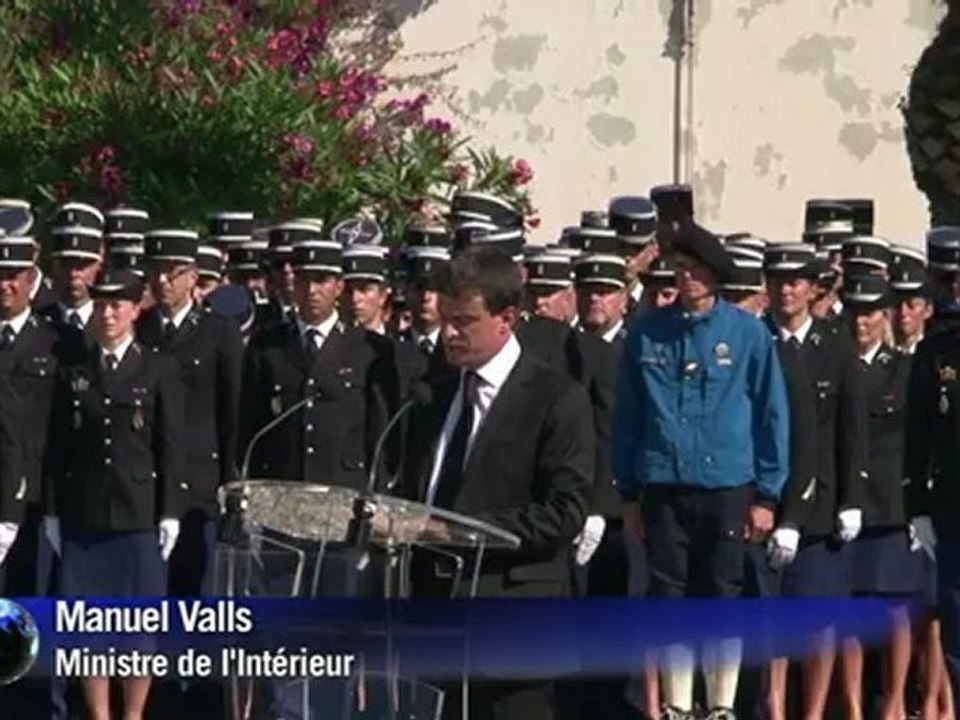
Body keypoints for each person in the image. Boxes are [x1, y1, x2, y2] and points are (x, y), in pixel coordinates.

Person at [400, 245, 594, 720]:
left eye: (463, 321)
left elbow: (563, 513)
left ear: (506, 318)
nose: (448, 333)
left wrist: (454, 531)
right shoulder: (433, 395)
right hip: (438, 626)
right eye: (444, 317)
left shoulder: (555, 399)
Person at [613, 221, 790, 720]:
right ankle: (675, 702)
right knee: (669, 593)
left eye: (696, 271)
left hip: (727, 485)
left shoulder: (748, 334)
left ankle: (720, 704)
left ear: (715, 277)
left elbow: (770, 415)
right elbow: (627, 417)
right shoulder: (648, 332)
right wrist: (628, 493)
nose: (686, 279)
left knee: (722, 590)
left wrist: (768, 495)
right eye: (680, 269)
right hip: (664, 484)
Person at [45, 268, 186, 720]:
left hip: (137, 513)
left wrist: (171, 512)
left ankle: (133, 714)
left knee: (139, 628)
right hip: (85, 515)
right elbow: (57, 447)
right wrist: (51, 510)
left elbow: (171, 446)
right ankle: (99, 715)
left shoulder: (157, 367)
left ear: (135, 309)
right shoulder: (76, 371)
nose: (108, 314)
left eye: (117, 306)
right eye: (102, 305)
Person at [762, 243, 869, 720]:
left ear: (812, 289)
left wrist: (851, 498)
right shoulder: (756, 339)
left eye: (796, 282)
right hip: (766, 495)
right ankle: (776, 706)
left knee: (821, 616)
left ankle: (815, 711)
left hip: (822, 499)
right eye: (778, 282)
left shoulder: (835, 343)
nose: (786, 291)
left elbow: (852, 428)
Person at [238, 237, 398, 489]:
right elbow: (249, 423)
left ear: (338, 287)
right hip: (284, 486)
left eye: (321, 280)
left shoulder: (368, 348)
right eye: (304, 280)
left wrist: (377, 491)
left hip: (343, 487)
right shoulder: (267, 345)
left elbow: (379, 430)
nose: (311, 290)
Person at [136, 229, 243, 597]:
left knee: (193, 588)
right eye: (155, 271)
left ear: (193, 278)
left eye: (172, 272)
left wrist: (230, 483)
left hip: (199, 481)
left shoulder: (219, 332)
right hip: (148, 479)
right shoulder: (139, 329)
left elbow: (231, 413)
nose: (162, 281)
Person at [838, 274, 918, 720]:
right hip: (846, 502)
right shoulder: (837, 362)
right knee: (850, 609)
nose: (860, 322)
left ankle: (894, 701)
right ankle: (851, 705)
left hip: (889, 504)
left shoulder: (902, 367)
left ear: (884, 315)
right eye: (853, 312)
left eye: (869, 312)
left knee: (895, 609)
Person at [904, 226, 960, 712]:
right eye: (948, 280)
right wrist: (918, 507)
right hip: (953, 510)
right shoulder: (936, 350)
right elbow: (917, 436)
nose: (955, 290)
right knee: (957, 629)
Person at [41, 224, 103, 348]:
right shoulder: (38, 322)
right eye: (66, 264)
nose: (73, 274)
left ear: (98, 265)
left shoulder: (112, 322)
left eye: (81, 266)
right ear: (54, 266)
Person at [341, 244, 392, 334]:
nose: (354, 298)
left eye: (364, 289)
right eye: (347, 290)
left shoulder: (398, 347)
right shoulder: (324, 346)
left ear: (382, 296)